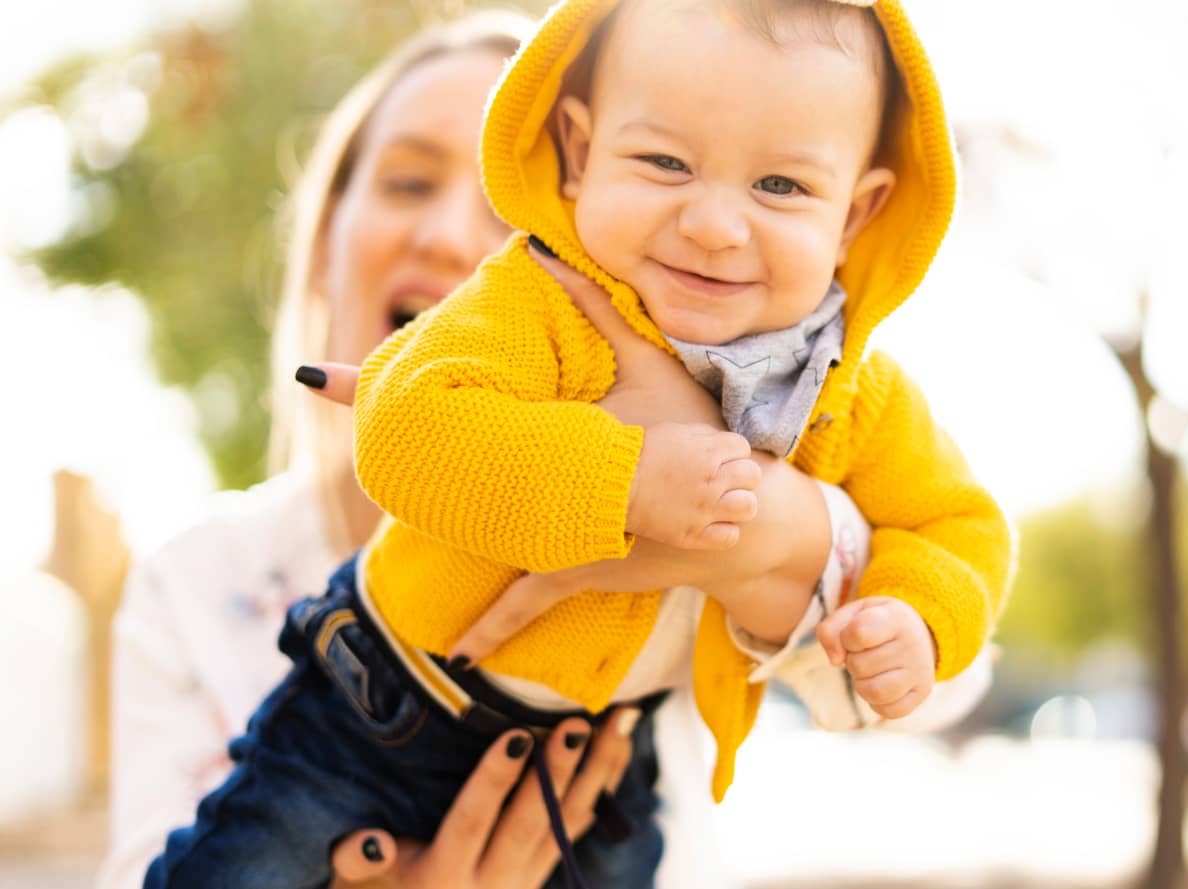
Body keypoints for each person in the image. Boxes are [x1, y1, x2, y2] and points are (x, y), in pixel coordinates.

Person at [143, 0, 1012, 886]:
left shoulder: (848, 386)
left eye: (781, 185)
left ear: (859, 214)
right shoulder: (539, 301)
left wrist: (913, 613)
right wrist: (628, 479)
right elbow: (406, 426)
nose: (715, 224)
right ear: (576, 155)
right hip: (380, 716)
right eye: (665, 162)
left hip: (597, 768)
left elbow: (957, 529)